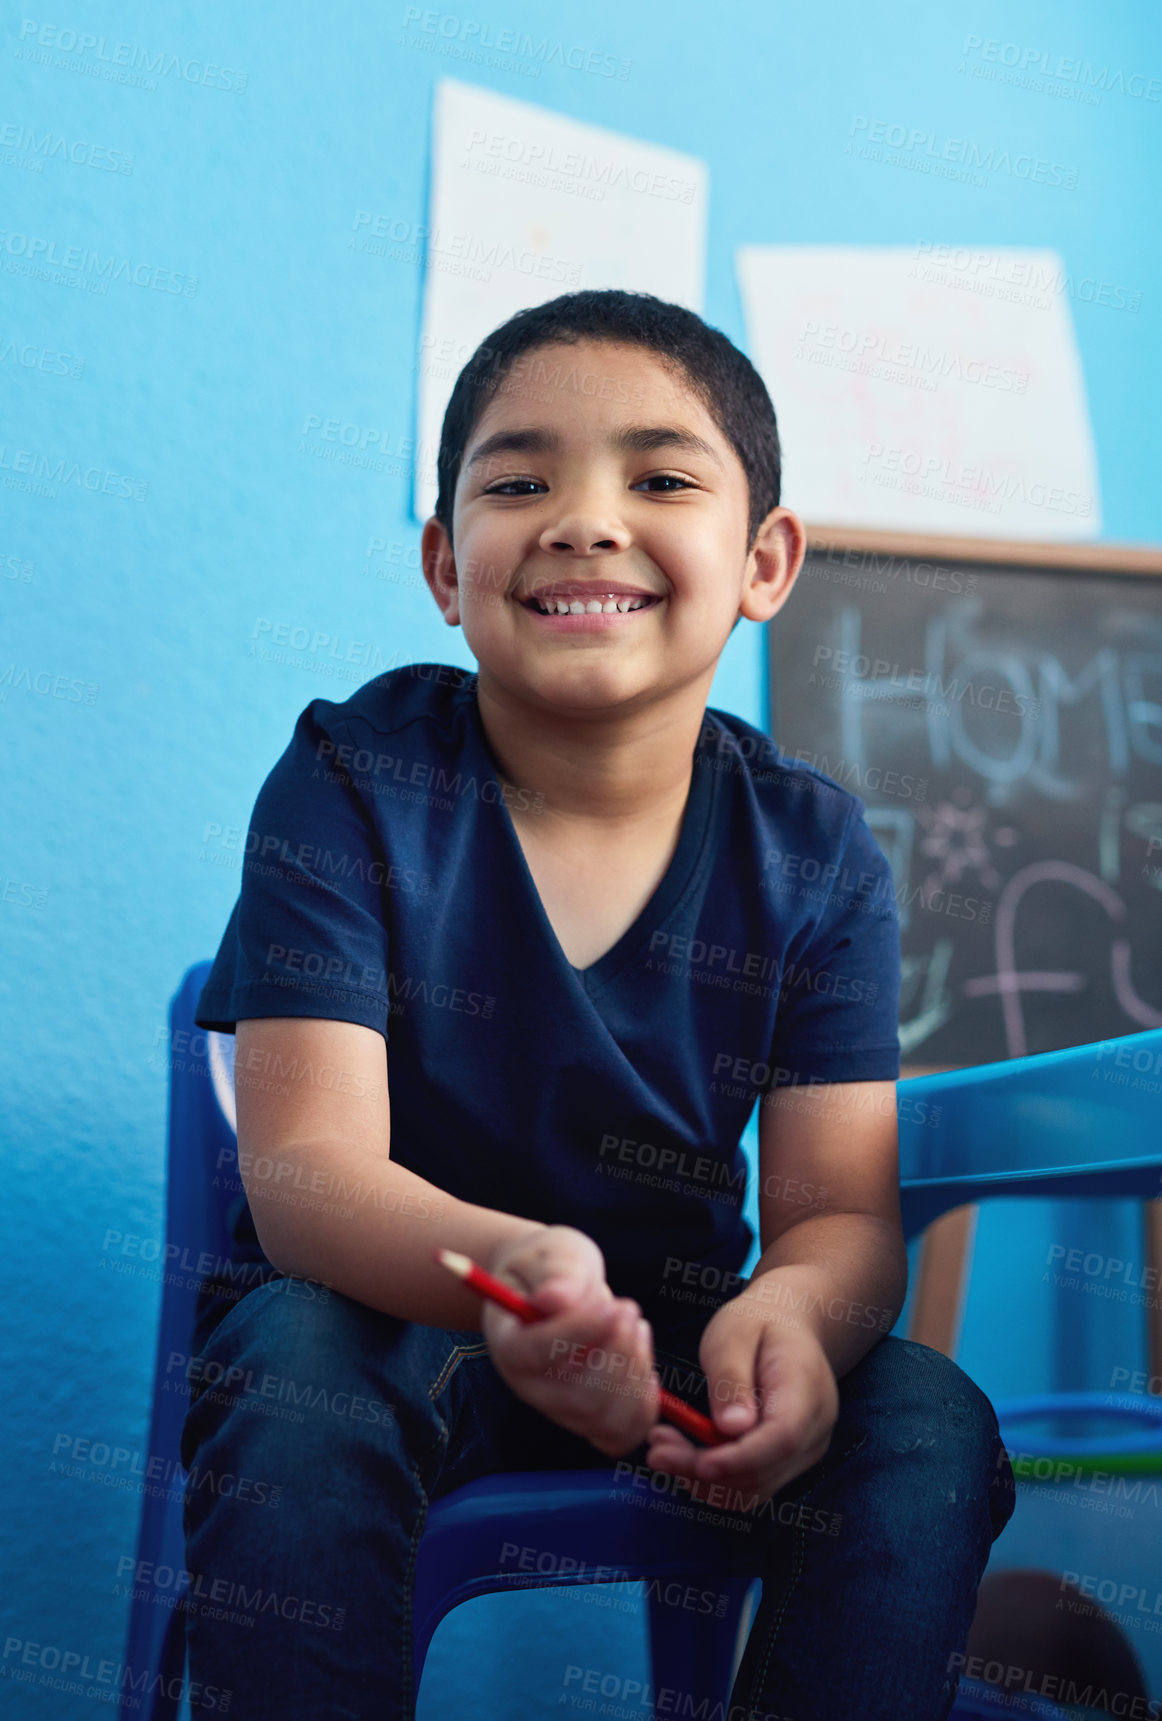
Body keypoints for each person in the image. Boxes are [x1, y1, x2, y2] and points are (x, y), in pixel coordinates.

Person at [182, 288, 1016, 1719]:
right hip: (397, 1324)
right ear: (446, 564)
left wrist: (802, 1326)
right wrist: (518, 1272)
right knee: (295, 1366)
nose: (581, 517)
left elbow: (833, 1213)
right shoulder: (349, 776)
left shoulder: (814, 851)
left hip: (684, 1352)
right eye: (518, 481)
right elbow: (306, 1172)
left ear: (763, 559)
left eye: (659, 477)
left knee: (926, 1418)